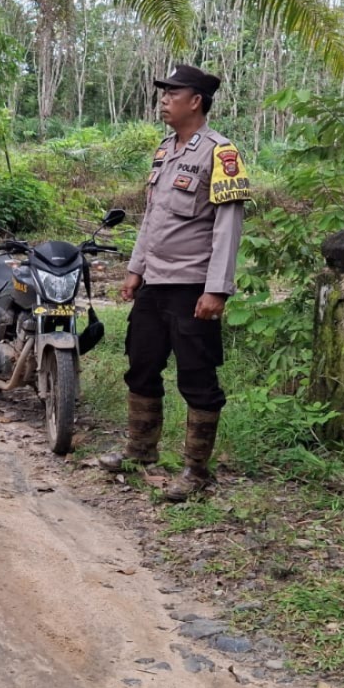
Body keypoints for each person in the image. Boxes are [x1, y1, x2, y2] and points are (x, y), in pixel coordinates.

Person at [99, 65, 251, 500]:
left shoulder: (221, 154)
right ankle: (140, 450)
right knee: (142, 364)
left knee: (197, 377)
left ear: (195, 101)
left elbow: (227, 227)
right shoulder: (165, 150)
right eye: (163, 93)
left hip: (192, 286)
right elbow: (153, 217)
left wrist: (216, 288)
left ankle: (196, 472)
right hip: (155, 282)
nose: (164, 100)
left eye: (172, 93)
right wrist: (135, 269)